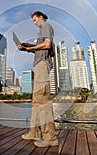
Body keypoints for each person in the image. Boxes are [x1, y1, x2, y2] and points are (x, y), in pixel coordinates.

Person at [18, 11, 58, 147]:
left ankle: (50, 138)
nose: (34, 23)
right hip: (38, 65)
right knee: (36, 102)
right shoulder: (41, 31)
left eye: (35, 20)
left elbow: (47, 45)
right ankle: (34, 132)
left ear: (41, 17)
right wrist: (25, 48)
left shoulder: (46, 26)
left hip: (42, 66)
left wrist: (33, 47)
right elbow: (42, 49)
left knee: (42, 101)